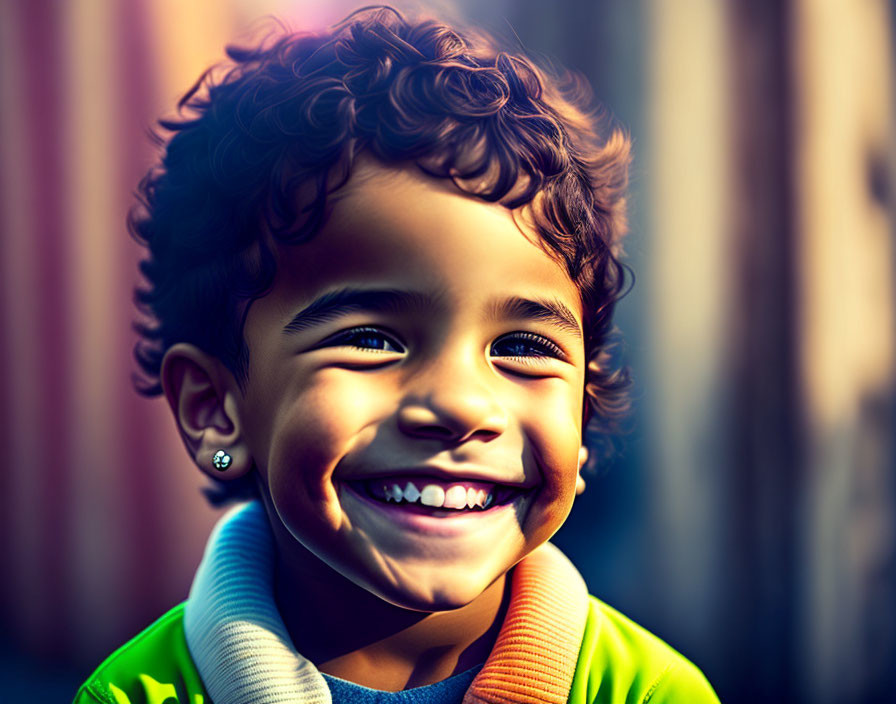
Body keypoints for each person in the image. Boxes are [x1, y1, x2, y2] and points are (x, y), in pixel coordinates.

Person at [73, 6, 720, 703]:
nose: (462, 405)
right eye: (372, 340)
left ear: (583, 410)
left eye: (524, 348)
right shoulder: (134, 693)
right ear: (215, 410)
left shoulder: (653, 692)